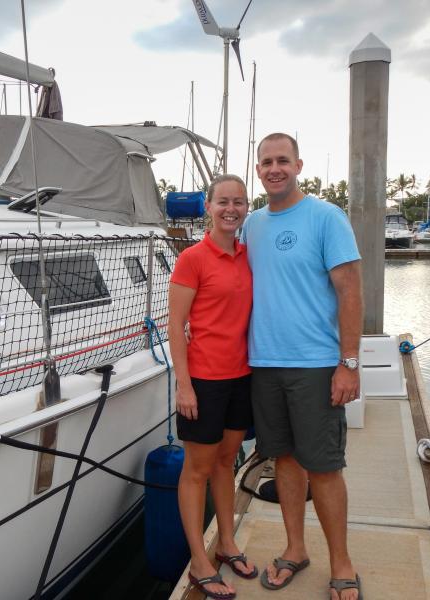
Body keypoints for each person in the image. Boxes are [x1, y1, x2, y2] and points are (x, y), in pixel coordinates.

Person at [242, 133, 364, 600]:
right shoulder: (252, 224)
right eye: (267, 162)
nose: (275, 169)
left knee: (325, 467)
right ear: (258, 169)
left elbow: (350, 291)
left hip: (315, 365)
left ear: (298, 166)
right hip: (264, 364)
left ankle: (342, 563)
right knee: (285, 461)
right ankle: (295, 549)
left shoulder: (325, 217)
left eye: (283, 161)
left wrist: (348, 364)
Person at [168, 174, 257, 600]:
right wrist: (183, 386)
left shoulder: (246, 255)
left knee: (227, 463)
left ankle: (226, 543)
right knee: (197, 470)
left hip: (242, 377)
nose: (231, 209)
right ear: (209, 206)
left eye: (238, 202)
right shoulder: (193, 258)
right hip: (203, 381)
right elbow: (174, 327)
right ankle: (199, 562)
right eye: (223, 201)